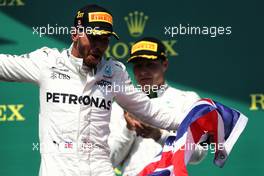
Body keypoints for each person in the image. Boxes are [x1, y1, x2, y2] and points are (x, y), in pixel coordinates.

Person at [0, 5, 181, 176]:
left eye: (104, 39)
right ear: (75, 34)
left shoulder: (114, 73)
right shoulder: (48, 63)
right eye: (93, 38)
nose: (99, 46)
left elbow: (151, 112)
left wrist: (196, 121)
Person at [108, 37, 207, 176]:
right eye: (138, 65)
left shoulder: (187, 99)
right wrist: (129, 129)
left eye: (150, 64)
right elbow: (110, 160)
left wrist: (159, 135)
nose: (143, 71)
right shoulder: (120, 105)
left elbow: (198, 154)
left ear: (164, 64)